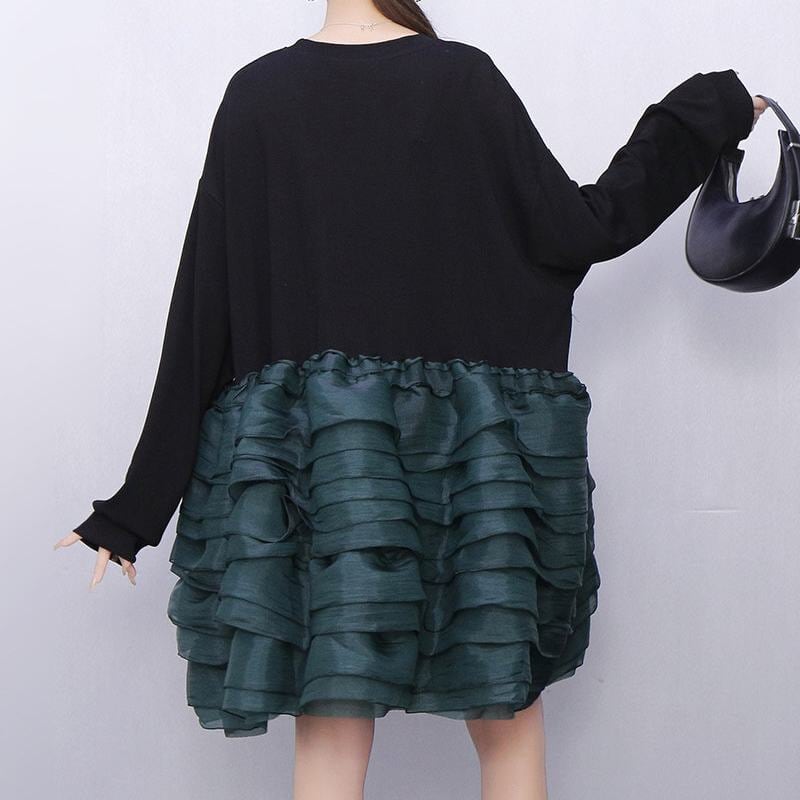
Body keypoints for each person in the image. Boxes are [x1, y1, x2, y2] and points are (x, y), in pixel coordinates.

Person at [54, 2, 766, 798]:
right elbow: (577, 228)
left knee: (333, 728)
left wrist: (136, 507)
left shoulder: (259, 94)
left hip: (327, 476)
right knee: (505, 721)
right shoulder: (461, 79)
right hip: (468, 469)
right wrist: (709, 111)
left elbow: (203, 309)